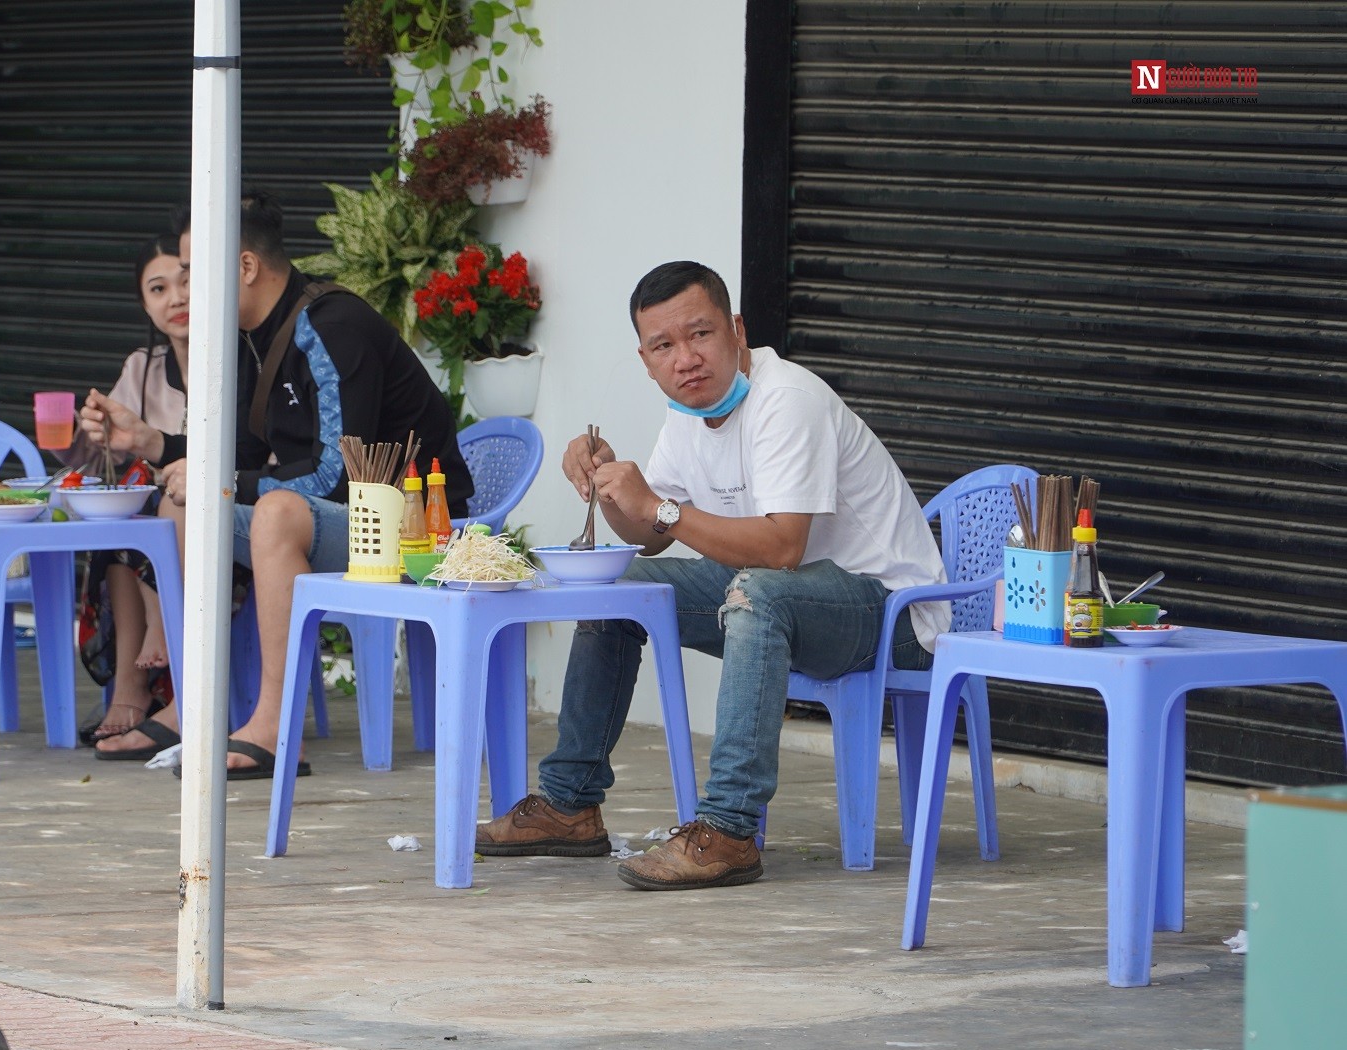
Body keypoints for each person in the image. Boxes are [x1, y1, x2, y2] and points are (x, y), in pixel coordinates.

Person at [475, 260, 949, 890]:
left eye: (700, 335)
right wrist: (614, 486)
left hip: (892, 614)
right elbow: (650, 534)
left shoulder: (788, 401)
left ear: (737, 331)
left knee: (758, 592)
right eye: (664, 346)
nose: (686, 359)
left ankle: (729, 829)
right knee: (621, 592)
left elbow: (781, 547)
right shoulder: (688, 412)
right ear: (645, 360)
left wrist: (658, 507)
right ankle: (569, 805)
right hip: (787, 597)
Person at [96, 191, 474, 776]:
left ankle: (274, 726)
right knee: (182, 505)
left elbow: (336, 474)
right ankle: (189, 703)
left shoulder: (332, 325)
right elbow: (242, 456)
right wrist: (156, 446)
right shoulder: (250, 334)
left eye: (195, 272)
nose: (188, 290)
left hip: (412, 525)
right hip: (331, 519)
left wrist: (225, 480)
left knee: (274, 511)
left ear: (245, 266)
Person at [59, 233, 192, 743]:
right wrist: (84, 435)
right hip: (146, 531)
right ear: (145, 304)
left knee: (159, 496)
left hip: (221, 525)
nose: (176, 298)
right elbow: (102, 461)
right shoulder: (142, 368)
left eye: (186, 282)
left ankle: (136, 683)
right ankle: (128, 691)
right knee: (121, 508)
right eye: (158, 289)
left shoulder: (240, 360)